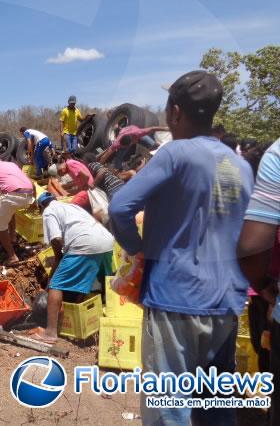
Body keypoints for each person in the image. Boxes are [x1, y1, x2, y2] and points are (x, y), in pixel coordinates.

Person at [109, 70, 253, 425]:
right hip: (225, 301)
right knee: (216, 407)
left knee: (169, 409)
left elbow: (120, 207)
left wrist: (137, 248)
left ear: (175, 111)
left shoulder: (175, 154)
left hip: (176, 297)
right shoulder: (239, 165)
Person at [32, 192, 113, 343]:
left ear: (41, 206)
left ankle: (50, 333)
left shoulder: (49, 211)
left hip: (85, 244)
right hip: (106, 241)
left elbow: (56, 238)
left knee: (57, 285)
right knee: (103, 282)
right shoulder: (72, 207)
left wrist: (57, 260)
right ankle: (108, 318)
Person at [237, 138, 280, 423]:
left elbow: (251, 246)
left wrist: (265, 287)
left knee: (262, 343)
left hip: (267, 289)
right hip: (267, 289)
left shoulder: (277, 157)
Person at [0, 151, 35, 266]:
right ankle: (12, 238)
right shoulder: (12, 165)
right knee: (9, 211)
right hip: (29, 195)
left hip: (12, 195)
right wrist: (34, 200)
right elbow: (32, 183)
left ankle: (12, 256)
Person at [99, 124, 169, 169]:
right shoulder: (117, 143)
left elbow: (153, 128)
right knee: (118, 160)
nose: (128, 147)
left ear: (132, 141)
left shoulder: (138, 133)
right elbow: (106, 155)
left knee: (154, 145)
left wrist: (165, 129)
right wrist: (98, 166)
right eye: (124, 146)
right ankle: (118, 170)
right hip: (124, 133)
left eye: (129, 145)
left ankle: (118, 127)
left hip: (132, 129)